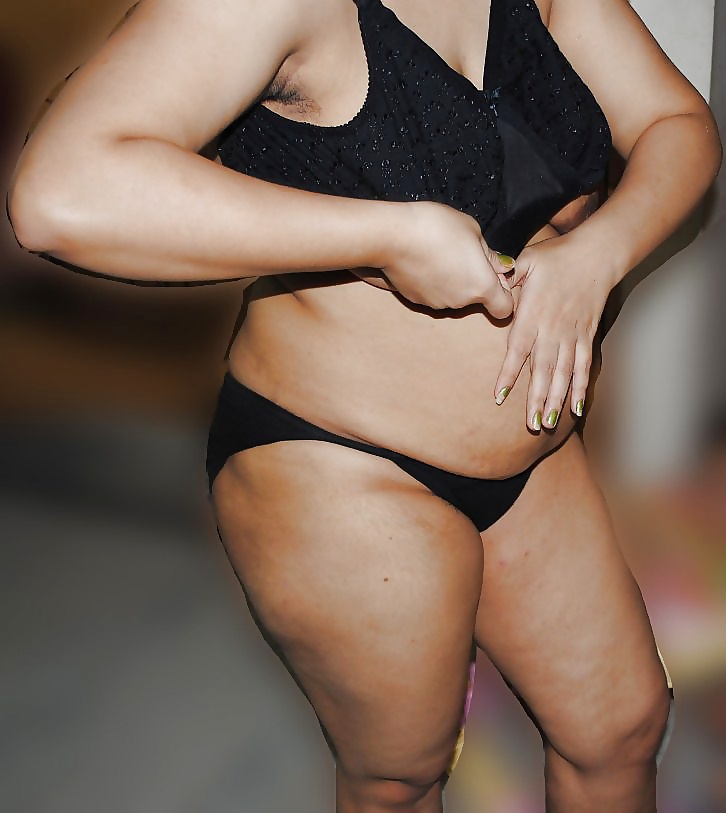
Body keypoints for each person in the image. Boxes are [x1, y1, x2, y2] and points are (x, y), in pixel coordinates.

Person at [8, 0, 721, 810]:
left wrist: (600, 251)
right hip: (344, 461)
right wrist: (387, 236)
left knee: (622, 728)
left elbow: (676, 123)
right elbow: (60, 194)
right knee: (401, 777)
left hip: (531, 447)